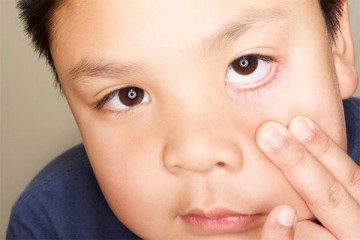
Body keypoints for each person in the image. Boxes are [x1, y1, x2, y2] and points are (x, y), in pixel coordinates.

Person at [7, 0, 360, 239]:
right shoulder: (50, 223)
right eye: (128, 95)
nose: (196, 153)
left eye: (247, 64)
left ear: (336, 44)